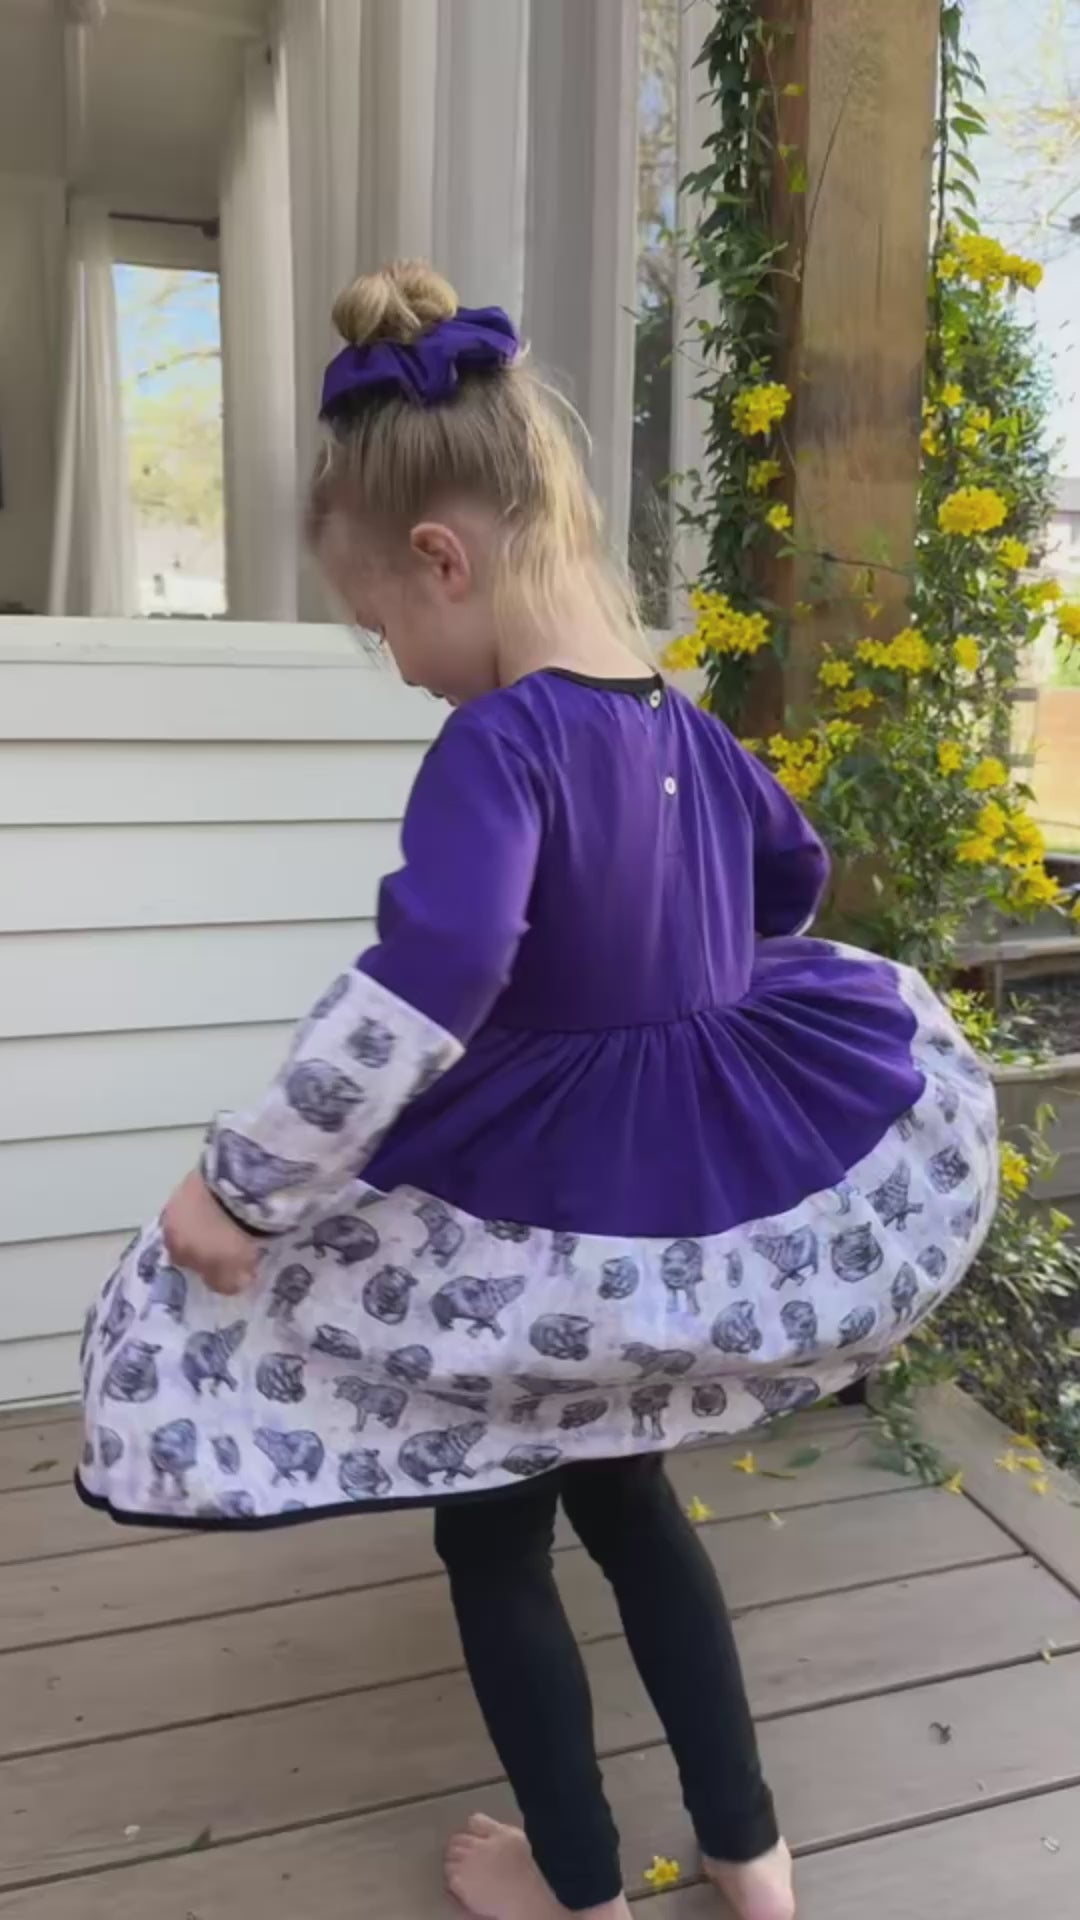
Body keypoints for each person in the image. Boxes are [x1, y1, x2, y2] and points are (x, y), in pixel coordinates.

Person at [77, 261, 998, 1920]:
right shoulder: (686, 724)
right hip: (668, 1216)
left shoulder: (498, 748)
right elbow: (791, 879)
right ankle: (753, 1861)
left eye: (386, 632)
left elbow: (431, 978)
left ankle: (573, 1883)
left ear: (446, 559)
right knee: (637, 1507)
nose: (405, 668)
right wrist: (672, 972)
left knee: (493, 1539)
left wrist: (245, 1186)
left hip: (531, 1221)